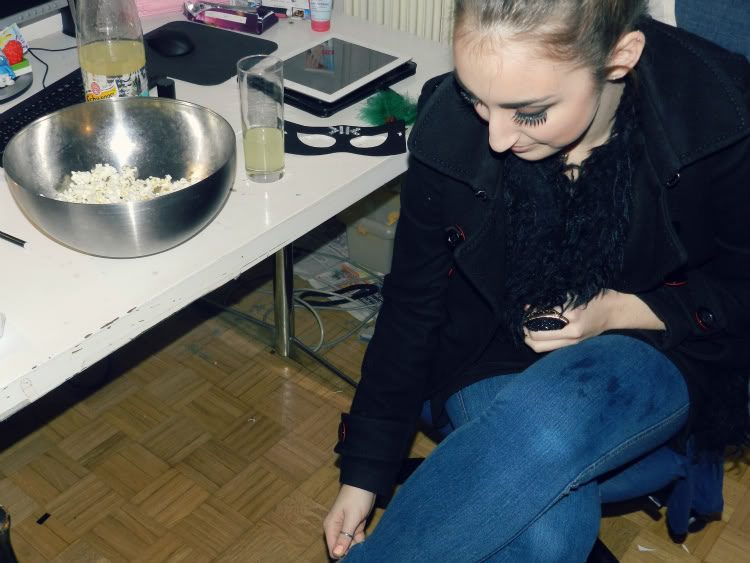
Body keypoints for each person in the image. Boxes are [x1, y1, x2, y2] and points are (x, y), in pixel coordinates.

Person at [323, 0, 750, 560]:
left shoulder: (718, 114)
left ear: (620, 57)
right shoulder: (449, 127)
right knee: (544, 539)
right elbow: (412, 304)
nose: (497, 138)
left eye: (528, 112)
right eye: (477, 100)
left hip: (659, 338)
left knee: (550, 425)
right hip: (494, 342)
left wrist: (619, 310)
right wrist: (364, 472)